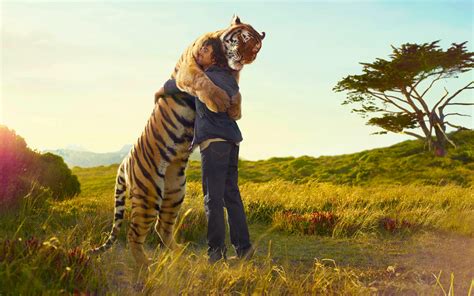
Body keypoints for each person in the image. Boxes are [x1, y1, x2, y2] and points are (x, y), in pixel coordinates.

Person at [155, 38, 253, 263]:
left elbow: (180, 83)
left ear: (216, 56)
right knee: (232, 196)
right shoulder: (230, 79)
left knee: (213, 199)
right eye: (200, 49)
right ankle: (244, 249)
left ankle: (215, 253)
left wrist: (160, 91)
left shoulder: (204, 78)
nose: (199, 53)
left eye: (205, 50)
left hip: (214, 143)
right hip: (232, 141)